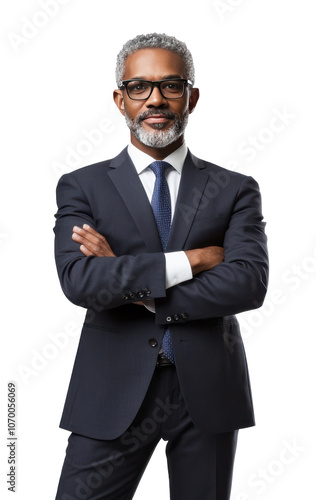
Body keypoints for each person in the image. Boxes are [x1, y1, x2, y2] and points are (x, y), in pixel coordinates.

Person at [54, 33, 268, 500]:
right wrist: (194, 260)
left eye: (171, 86)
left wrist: (129, 278)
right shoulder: (82, 187)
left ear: (191, 96)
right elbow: (81, 281)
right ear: (120, 98)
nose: (155, 99)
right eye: (139, 87)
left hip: (207, 393)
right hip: (110, 390)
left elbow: (247, 285)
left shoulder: (234, 189)